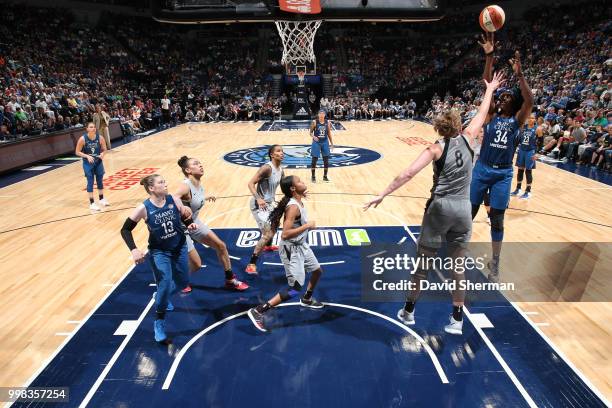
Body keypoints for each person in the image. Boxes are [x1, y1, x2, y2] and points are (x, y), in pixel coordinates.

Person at [364, 71, 505, 335]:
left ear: (438, 127)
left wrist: (382, 193)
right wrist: (490, 90)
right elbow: (482, 113)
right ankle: (457, 320)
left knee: (423, 265)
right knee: (458, 267)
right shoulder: (470, 137)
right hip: (464, 209)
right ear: (458, 125)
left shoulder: (435, 149)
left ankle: (408, 312)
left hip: (440, 207)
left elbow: (406, 174)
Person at [470, 33, 534, 283]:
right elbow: (487, 84)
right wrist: (489, 56)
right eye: (501, 96)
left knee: (497, 219)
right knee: (469, 212)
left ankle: (495, 263)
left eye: (507, 97)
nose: (502, 98)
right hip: (482, 169)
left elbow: (530, 100)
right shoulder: (490, 117)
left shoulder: (518, 121)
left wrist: (519, 74)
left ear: (514, 104)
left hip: (503, 173)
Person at [120, 174, 197, 343]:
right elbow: (125, 230)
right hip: (159, 252)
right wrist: (133, 250)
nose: (165, 183)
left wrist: (189, 222)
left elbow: (184, 216)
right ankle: (159, 322)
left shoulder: (173, 199)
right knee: (165, 282)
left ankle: (161, 295)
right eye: (161, 182)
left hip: (179, 247)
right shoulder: (144, 207)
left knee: (183, 283)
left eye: (165, 180)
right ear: (152, 188)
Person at [247, 176, 324, 332]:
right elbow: (285, 234)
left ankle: (307, 298)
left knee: (317, 271)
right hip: (291, 249)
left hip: (302, 246)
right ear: (293, 189)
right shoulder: (293, 207)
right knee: (294, 288)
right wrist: (307, 226)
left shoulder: (297, 201)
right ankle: (259, 310)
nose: (303, 182)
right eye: (299, 182)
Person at [175, 156, 248, 292]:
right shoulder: (186, 185)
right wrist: (182, 208)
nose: (200, 165)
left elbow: (193, 199)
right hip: (181, 228)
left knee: (221, 246)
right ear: (188, 170)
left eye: (200, 162)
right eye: (196, 164)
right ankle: (179, 280)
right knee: (196, 265)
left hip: (194, 223)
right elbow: (174, 197)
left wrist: (205, 197)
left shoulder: (198, 183)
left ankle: (230, 279)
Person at [245, 145, 285, 275]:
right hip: (259, 205)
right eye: (278, 151)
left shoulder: (281, 169)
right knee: (267, 233)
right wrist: (258, 198)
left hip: (270, 203)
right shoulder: (267, 168)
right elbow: (250, 183)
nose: (282, 153)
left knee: (275, 225)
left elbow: (284, 186)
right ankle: (251, 263)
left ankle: (268, 246)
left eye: (282, 151)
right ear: (272, 155)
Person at [75, 122, 109, 210]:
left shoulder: (100, 138)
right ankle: (92, 203)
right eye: (91, 127)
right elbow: (77, 152)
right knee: (90, 181)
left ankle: (101, 199)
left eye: (94, 127)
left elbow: (105, 150)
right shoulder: (82, 139)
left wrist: (102, 154)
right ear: (87, 129)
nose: (93, 128)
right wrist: (87, 156)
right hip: (88, 163)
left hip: (98, 161)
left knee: (100, 180)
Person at [511, 113, 538, 199]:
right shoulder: (523, 128)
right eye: (529, 118)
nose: (530, 119)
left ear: (535, 120)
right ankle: (518, 189)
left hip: (530, 151)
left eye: (532, 118)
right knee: (520, 170)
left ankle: (528, 191)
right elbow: (519, 139)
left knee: (528, 171)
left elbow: (540, 142)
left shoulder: (537, 129)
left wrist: (537, 153)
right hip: (521, 150)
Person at [309, 110, 334, 183]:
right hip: (316, 142)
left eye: (323, 113)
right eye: (320, 113)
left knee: (326, 160)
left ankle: (325, 176)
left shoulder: (328, 122)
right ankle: (313, 177)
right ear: (318, 114)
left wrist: (331, 143)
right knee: (314, 159)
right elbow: (310, 132)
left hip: (325, 142)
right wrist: (313, 137)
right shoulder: (314, 122)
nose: (321, 115)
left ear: (325, 115)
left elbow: (329, 133)